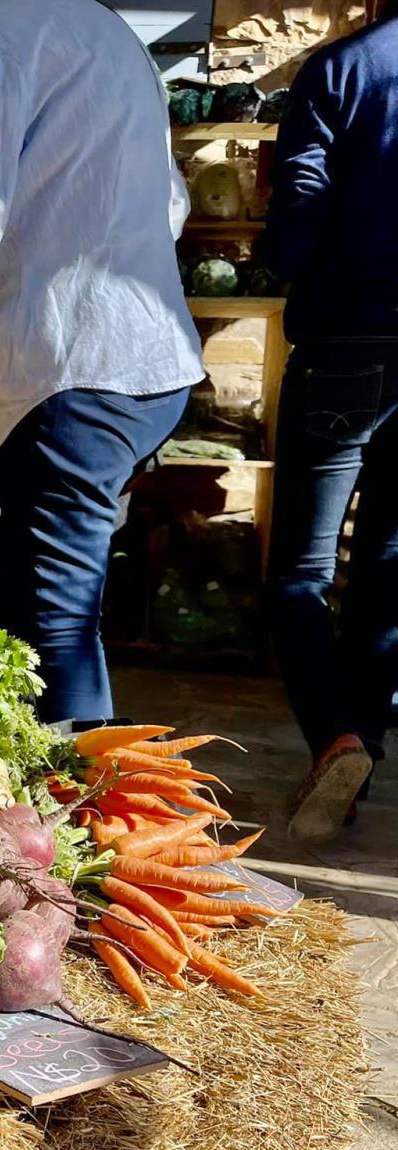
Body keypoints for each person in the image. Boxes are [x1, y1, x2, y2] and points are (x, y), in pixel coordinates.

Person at [0, 0, 204, 726]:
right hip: (143, 364)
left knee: (57, 626)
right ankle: (11, 780)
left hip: (76, 372)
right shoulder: (115, 37)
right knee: (10, 601)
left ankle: (87, 797)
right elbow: (174, 205)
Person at [261, 6, 398, 843]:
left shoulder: (341, 70)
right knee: (385, 567)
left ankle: (336, 739)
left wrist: (279, 254)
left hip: (346, 346)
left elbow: (298, 216)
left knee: (299, 574)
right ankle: (360, 758)